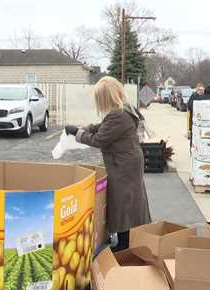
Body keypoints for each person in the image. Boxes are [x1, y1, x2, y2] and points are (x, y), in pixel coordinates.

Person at [65, 76, 151, 252]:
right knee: (128, 200)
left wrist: (78, 134)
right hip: (127, 160)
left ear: (106, 97)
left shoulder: (118, 115)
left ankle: (124, 244)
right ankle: (127, 239)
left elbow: (99, 139)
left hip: (123, 164)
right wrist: (84, 128)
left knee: (123, 201)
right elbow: (102, 126)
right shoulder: (122, 110)